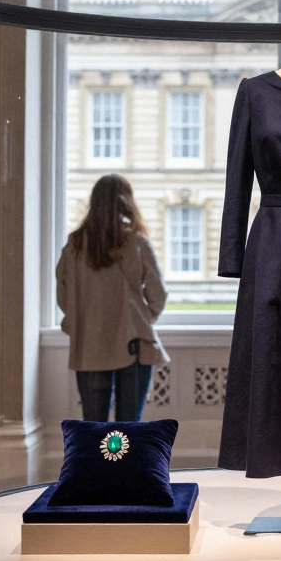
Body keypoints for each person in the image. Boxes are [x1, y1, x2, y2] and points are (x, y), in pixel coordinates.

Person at [56, 174, 168, 422]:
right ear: (126, 202)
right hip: (133, 344)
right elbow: (158, 296)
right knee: (128, 431)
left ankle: (98, 464)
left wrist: (86, 319)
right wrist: (139, 318)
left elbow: (64, 298)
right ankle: (124, 464)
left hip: (89, 345)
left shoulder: (74, 245)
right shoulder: (137, 243)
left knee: (94, 429)